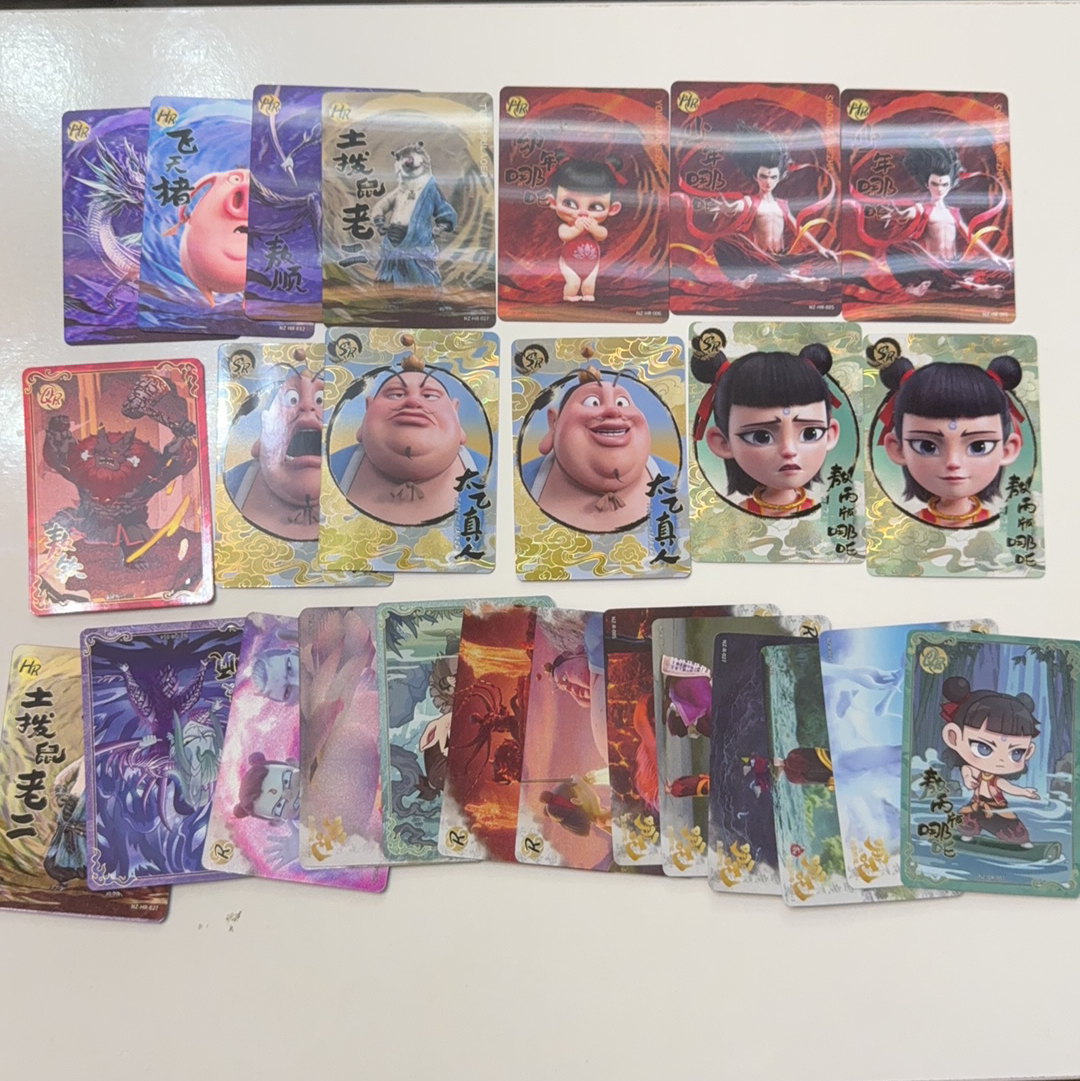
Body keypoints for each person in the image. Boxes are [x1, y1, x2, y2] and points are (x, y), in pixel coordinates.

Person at [691, 332, 840, 518]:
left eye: (810, 433)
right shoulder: (736, 518)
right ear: (722, 443)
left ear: (830, 434)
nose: (789, 450)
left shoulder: (826, 515)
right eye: (761, 437)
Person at [878, 349, 1023, 528]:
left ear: (1007, 450)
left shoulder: (1000, 528)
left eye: (979, 446)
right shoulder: (908, 528)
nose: (953, 462)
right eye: (927, 446)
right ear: (898, 450)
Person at [332, 350, 478, 527]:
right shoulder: (332, 470)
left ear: (455, 412)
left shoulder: (492, 477)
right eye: (396, 394)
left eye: (429, 395)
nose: (413, 401)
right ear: (368, 410)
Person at [522, 365, 673, 532]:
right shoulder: (518, 487)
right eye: (592, 402)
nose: (613, 410)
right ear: (554, 423)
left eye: (621, 402)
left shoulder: (676, 480)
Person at [707, 121, 838, 292]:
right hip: (758, 258)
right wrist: (727, 208)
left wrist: (820, 248)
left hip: (782, 259)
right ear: (756, 177)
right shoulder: (750, 202)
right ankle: (796, 279)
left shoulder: (782, 205)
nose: (768, 182)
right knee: (722, 244)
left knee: (829, 260)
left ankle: (779, 275)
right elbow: (736, 207)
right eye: (764, 176)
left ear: (779, 177)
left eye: (772, 177)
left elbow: (798, 229)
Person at [880, 141, 1012, 300]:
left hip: (954, 265)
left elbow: (970, 237)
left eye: (944, 184)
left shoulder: (953, 212)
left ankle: (951, 283)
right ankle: (970, 286)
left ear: (950, 185)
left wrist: (992, 256)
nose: (939, 189)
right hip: (931, 264)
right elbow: (910, 213)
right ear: (927, 184)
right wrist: (899, 215)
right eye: (935, 184)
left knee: (1000, 269)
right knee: (895, 249)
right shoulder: (923, 208)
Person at [225, 353, 324, 542]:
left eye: (320, 400)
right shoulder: (232, 487)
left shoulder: (346, 466)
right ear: (261, 438)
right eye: (291, 399)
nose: (307, 405)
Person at [939, 675, 1040, 847]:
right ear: (953, 737)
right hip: (977, 805)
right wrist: (967, 778)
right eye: (984, 748)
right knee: (966, 820)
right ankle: (966, 836)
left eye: (1016, 753)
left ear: (1028, 751)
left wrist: (1024, 792)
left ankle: (1023, 844)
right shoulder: (975, 770)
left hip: (996, 808)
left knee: (1013, 830)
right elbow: (967, 770)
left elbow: (1008, 787)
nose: (1000, 760)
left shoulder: (995, 779)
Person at [544, 157, 622, 303]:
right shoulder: (565, 226)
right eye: (570, 203)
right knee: (573, 283)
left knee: (589, 285)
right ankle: (569, 296)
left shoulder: (595, 227)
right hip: (568, 261)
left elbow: (602, 235)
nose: (583, 213)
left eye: (595, 206)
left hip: (592, 263)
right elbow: (564, 235)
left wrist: (594, 229)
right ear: (553, 202)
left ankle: (587, 297)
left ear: (613, 209)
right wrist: (576, 228)